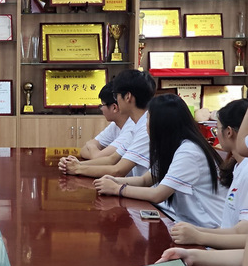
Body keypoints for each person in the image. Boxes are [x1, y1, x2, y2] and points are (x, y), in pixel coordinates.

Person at [94, 93, 225, 228]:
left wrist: (117, 189)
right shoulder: (172, 147)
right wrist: (115, 181)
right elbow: (144, 180)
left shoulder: (189, 151)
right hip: (186, 223)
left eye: (148, 119)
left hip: (209, 228)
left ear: (161, 124)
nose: (146, 125)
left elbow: (158, 194)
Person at [169, 99, 248, 248]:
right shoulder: (238, 166)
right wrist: (195, 231)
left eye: (217, 129)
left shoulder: (246, 170)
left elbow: (242, 234)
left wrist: (198, 236)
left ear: (229, 132)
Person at [59, 69, 156, 178]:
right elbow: (111, 159)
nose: (116, 101)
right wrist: (75, 164)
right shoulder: (137, 125)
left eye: (116, 95)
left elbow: (118, 170)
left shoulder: (146, 128)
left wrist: (78, 168)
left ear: (127, 97)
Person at [79, 81, 133, 160]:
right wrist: (96, 154)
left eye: (102, 105)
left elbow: (98, 157)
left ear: (114, 107)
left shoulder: (131, 129)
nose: (101, 109)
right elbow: (83, 151)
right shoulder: (114, 125)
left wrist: (91, 145)